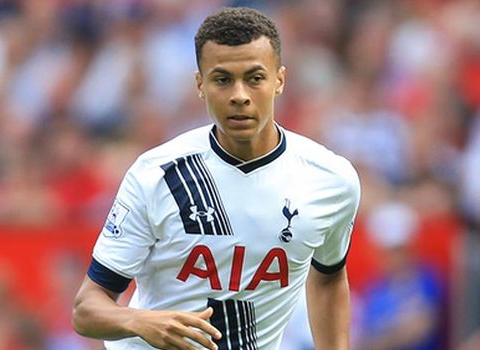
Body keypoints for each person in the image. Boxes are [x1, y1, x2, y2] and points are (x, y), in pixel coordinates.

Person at [72, 7, 360, 350]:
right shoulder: (158, 174)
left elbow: (328, 278)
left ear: (280, 80)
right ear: (200, 84)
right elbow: (87, 308)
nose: (239, 94)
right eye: (223, 79)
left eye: (255, 78)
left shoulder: (330, 180)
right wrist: (141, 321)